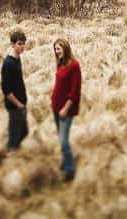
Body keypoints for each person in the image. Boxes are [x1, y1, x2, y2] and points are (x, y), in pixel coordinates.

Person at [51, 38, 81, 181]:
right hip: (56, 107)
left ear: (66, 48)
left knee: (63, 140)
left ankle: (70, 170)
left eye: (59, 48)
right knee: (61, 137)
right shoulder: (60, 64)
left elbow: (75, 91)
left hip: (65, 109)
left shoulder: (74, 66)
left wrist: (65, 108)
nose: (57, 51)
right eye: (56, 49)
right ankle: (65, 162)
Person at [2, 28, 28, 149]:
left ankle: (15, 154)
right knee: (14, 139)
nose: (22, 47)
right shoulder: (8, 63)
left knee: (24, 132)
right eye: (19, 44)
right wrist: (18, 104)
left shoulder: (18, 58)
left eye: (23, 44)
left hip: (21, 103)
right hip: (14, 106)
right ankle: (9, 160)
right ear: (12, 44)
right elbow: (6, 90)